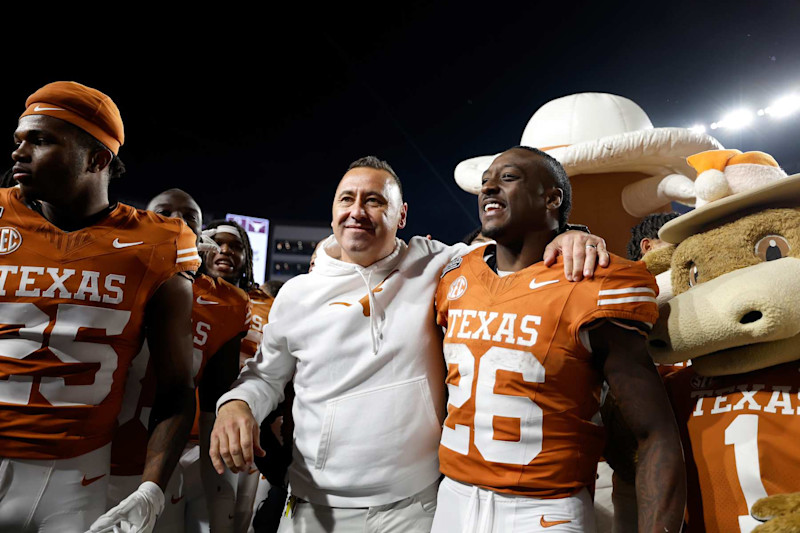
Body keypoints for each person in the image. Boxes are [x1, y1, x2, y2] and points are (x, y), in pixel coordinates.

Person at [210, 155, 608, 532]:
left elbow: (517, 248)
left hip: (415, 506)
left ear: (401, 215)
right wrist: (237, 404)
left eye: (374, 201)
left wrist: (573, 235)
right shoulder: (297, 294)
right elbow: (265, 376)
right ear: (333, 211)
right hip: (316, 508)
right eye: (346, 199)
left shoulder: (442, 265)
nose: (357, 210)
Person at [430, 146, 685, 532]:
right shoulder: (454, 276)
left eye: (508, 178)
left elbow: (655, 433)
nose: (490, 189)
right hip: (452, 499)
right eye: (485, 183)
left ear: (552, 198)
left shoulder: (593, 281)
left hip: (544, 510)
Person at [0, 81, 200, 533]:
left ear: (97, 158)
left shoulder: (156, 243)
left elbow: (175, 387)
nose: (20, 151)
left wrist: (151, 489)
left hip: (73, 474)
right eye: (19, 140)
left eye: (42, 139)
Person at [106, 191, 250, 532]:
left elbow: (215, 401)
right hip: (92, 449)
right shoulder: (115, 270)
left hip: (166, 457)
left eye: (189, 216)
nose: (178, 220)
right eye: (165, 211)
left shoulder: (227, 302)